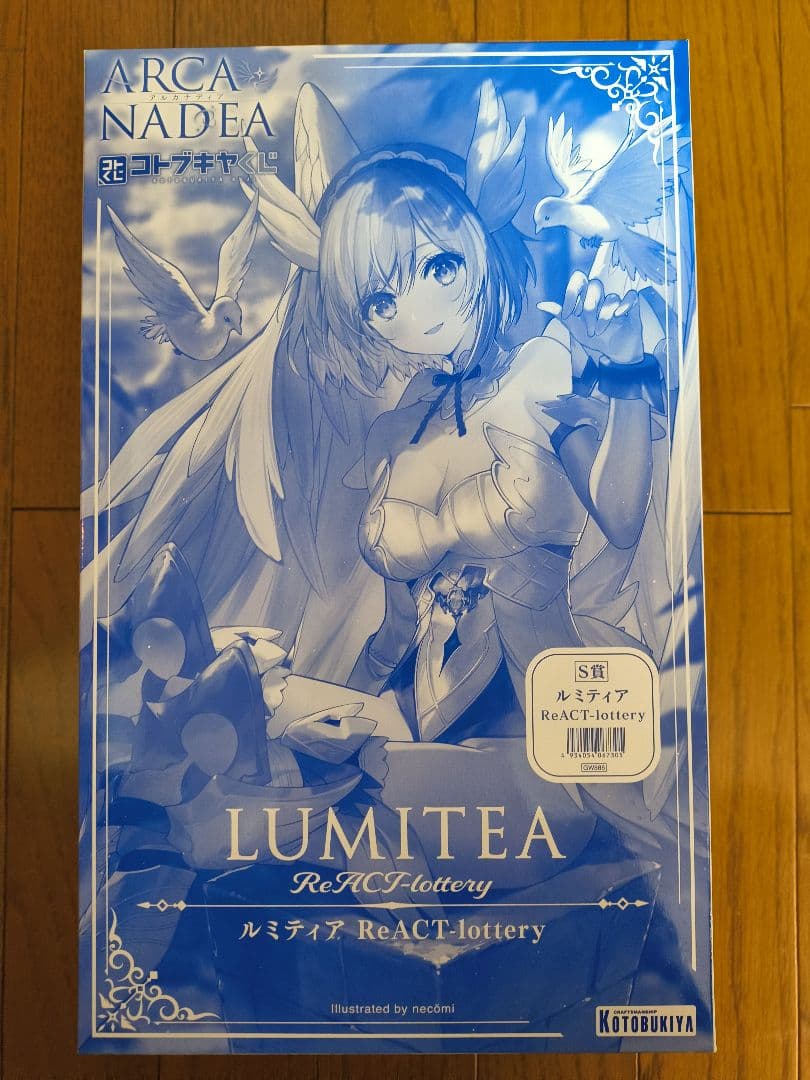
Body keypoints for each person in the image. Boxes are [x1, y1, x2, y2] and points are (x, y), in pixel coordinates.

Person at [85, 80, 663, 745]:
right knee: (257, 716)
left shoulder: (539, 367)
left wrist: (626, 370)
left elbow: (622, 518)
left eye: (440, 268)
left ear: (481, 246)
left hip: (543, 706)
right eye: (380, 302)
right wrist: (343, 708)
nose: (416, 314)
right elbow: (394, 631)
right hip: (422, 711)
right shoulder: (396, 431)